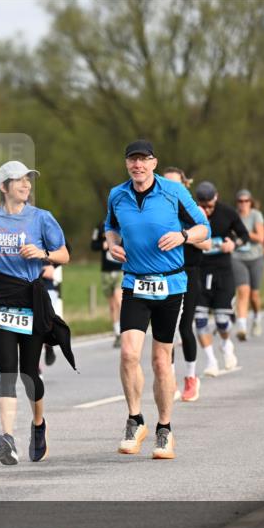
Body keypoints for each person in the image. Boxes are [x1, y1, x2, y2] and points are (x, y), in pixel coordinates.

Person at [0, 160, 74, 466]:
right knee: (7, 370)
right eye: (19, 180)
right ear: (3, 187)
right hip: (0, 297)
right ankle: (8, 439)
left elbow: (65, 254)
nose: (26, 185)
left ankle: (38, 425)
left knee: (29, 373)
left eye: (28, 180)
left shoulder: (42, 218)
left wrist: (43, 254)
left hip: (31, 297)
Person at [104, 141, 210, 460]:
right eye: (132, 160)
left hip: (170, 284)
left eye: (143, 160)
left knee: (161, 360)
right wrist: (111, 244)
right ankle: (135, 420)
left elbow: (205, 227)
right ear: (127, 165)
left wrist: (184, 236)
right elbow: (110, 226)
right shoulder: (116, 195)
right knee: (127, 354)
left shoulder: (174, 192)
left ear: (154, 163)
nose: (138, 165)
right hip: (135, 282)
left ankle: (164, 429)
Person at [193, 182, 249, 377]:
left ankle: (226, 343)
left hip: (223, 272)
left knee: (222, 320)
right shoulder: (191, 214)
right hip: (200, 272)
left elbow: (244, 235)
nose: (206, 210)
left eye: (209, 205)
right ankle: (210, 360)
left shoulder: (228, 213)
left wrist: (233, 243)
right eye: (203, 205)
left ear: (216, 198)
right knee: (199, 318)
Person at [162, 167, 203, 402]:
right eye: (166, 184)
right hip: (165, 274)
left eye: (175, 184)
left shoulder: (192, 211)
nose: (170, 189)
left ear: (185, 185)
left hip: (189, 273)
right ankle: (170, 380)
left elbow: (206, 243)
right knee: (166, 330)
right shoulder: (157, 209)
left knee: (185, 328)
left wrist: (184, 235)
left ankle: (191, 377)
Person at [232, 190, 264, 340]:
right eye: (240, 201)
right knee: (243, 290)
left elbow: (260, 237)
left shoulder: (256, 215)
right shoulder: (233, 216)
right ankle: (242, 327)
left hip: (255, 257)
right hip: (237, 257)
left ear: (250, 202)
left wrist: (245, 232)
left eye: (246, 201)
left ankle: (257, 317)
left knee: (254, 295)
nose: (243, 204)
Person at [90, 222, 124, 348]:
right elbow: (93, 245)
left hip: (120, 268)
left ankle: (124, 330)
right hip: (106, 271)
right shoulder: (100, 227)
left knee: (118, 299)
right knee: (112, 305)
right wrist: (103, 244)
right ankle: (117, 333)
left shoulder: (122, 223)